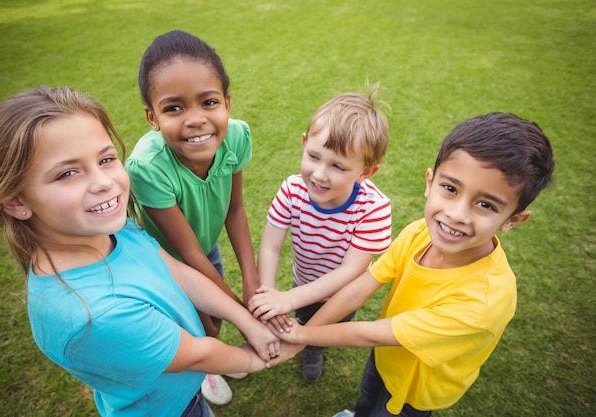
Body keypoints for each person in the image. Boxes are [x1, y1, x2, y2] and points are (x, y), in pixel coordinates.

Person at [0, 86, 283, 417]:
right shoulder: (92, 318)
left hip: (184, 387)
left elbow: (178, 273)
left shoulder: (114, 228)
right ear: (16, 201)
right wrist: (253, 357)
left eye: (106, 159)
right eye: (67, 173)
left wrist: (246, 324)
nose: (103, 182)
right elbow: (196, 355)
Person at [267, 112, 555, 416]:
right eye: (451, 188)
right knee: (366, 398)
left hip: (415, 391)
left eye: (485, 205)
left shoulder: (482, 303)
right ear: (430, 182)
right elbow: (360, 288)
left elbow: (371, 333)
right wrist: (301, 334)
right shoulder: (420, 232)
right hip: (385, 357)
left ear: (513, 220)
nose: (456, 214)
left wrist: (299, 336)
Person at [125, 30, 261, 404]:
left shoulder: (236, 137)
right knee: (201, 324)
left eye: (209, 102)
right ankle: (207, 370)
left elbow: (234, 210)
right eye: (174, 108)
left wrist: (252, 284)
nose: (196, 120)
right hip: (165, 264)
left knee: (212, 321)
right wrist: (241, 312)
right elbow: (187, 256)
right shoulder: (147, 167)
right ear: (152, 117)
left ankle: (214, 355)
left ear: (227, 103)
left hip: (204, 245)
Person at [248, 89, 392, 381]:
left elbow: (351, 271)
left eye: (338, 166)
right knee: (301, 317)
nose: (320, 174)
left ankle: (313, 347)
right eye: (314, 156)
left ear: (366, 172)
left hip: (340, 296)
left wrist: (288, 300)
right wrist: (270, 296)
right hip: (303, 280)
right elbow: (271, 247)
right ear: (304, 143)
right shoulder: (292, 189)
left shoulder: (374, 208)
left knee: (322, 329)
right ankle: (303, 331)